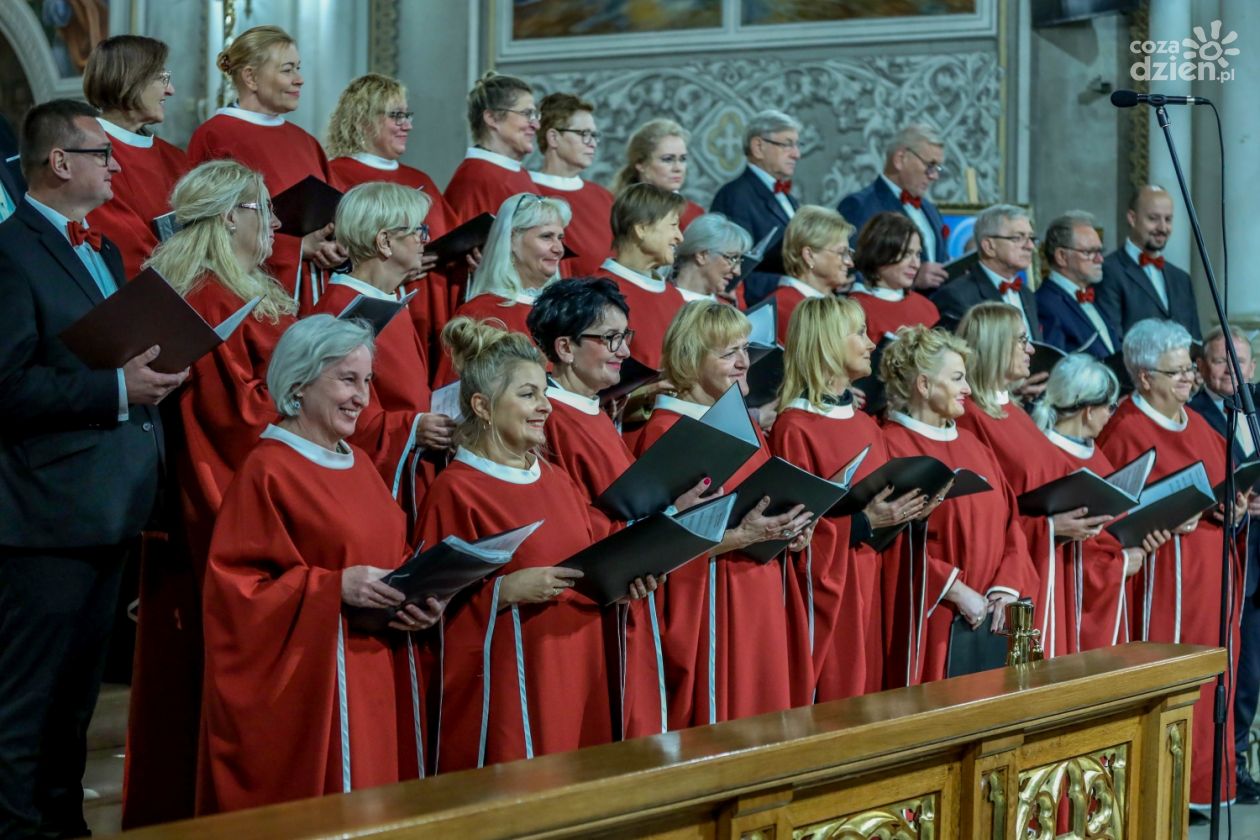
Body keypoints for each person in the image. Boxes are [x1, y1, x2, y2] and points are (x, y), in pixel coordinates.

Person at [0, 99, 183, 839]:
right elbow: (6, 386)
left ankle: (65, 826)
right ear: (59, 162)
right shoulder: (8, 253)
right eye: (101, 153)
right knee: (24, 704)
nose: (116, 165)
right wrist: (115, 390)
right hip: (43, 514)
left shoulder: (102, 250)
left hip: (110, 501)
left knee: (76, 701)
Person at [199, 315, 441, 813]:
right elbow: (236, 595)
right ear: (299, 382)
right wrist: (333, 589)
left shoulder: (357, 463)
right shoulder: (268, 469)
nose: (362, 397)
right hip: (316, 689)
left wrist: (420, 599)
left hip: (375, 670)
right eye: (346, 380)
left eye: (367, 381)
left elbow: (389, 556)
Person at [416, 317, 625, 770]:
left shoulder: (556, 477)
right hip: (513, 685)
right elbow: (427, 608)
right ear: (483, 406)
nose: (545, 407)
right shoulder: (457, 490)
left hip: (580, 668)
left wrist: (629, 573)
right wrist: (504, 593)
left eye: (545, 394)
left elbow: (598, 551)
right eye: (528, 394)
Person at [526, 277, 703, 737]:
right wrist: (663, 519)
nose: (624, 351)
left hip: (627, 593)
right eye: (610, 338)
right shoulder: (550, 418)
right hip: (582, 608)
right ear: (565, 347)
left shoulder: (594, 410)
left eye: (626, 337)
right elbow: (570, 520)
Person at [637, 301, 814, 727]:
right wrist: (741, 537)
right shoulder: (666, 430)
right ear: (689, 359)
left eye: (744, 349)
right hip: (711, 603)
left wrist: (790, 527)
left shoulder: (744, 422)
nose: (742, 363)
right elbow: (659, 543)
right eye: (726, 353)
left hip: (759, 590)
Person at [1097, 318, 1247, 811]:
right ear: (1144, 377)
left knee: (1211, 681)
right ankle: (1160, 792)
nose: (1189, 379)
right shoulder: (1123, 429)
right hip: (1161, 581)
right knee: (1170, 681)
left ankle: (1204, 785)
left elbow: (1224, 486)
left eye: (1189, 369)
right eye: (1177, 371)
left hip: (1210, 576)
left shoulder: (1201, 424)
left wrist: (1236, 509)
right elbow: (1111, 511)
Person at [770, 296, 924, 701]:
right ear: (826, 343)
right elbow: (794, 531)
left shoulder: (865, 424)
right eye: (858, 332)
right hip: (830, 597)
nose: (871, 343)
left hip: (871, 579)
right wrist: (863, 523)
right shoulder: (795, 426)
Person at [878, 325, 1038, 686]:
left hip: (998, 615)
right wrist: (953, 589)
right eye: (957, 378)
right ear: (924, 385)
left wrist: (1005, 588)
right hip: (935, 618)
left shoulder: (973, 443)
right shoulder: (891, 444)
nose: (968, 388)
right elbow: (889, 540)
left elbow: (1011, 521)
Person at [956, 303, 1114, 657]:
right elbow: (987, 512)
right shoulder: (970, 416)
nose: (1030, 350)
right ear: (995, 346)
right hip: (1011, 575)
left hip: (1045, 564)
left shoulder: (1013, 410)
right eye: (1022, 341)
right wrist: (1051, 527)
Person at [187, 25, 345, 311]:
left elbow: (337, 206)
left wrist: (338, 243)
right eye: (287, 70)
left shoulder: (305, 141)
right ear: (251, 77)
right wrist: (296, 249)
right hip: (254, 293)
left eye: (298, 68)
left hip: (316, 286)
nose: (300, 80)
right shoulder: (216, 135)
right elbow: (206, 230)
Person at [312, 182, 455, 492]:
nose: (424, 240)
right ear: (385, 242)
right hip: (373, 477)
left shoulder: (386, 298)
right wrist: (412, 428)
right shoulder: (343, 310)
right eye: (418, 231)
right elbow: (334, 410)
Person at [1030, 354, 1169, 653]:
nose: (1111, 415)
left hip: (1111, 592)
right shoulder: (1045, 455)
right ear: (1089, 410)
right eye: (1110, 407)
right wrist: (1118, 566)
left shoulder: (1093, 452)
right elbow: (1070, 546)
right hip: (1068, 604)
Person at [325, 73, 459, 356]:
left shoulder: (420, 178)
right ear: (362, 119)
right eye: (396, 116)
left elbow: (448, 237)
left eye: (407, 115)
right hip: (368, 308)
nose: (407, 125)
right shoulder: (334, 175)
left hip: (428, 306)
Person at [1188, 325, 1260, 803]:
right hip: (1229, 562)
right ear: (1201, 368)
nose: (1234, 370)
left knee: (1254, 677)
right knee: (1238, 671)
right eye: (1221, 361)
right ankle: (1226, 765)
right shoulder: (1193, 418)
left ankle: (1238, 760)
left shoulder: (1257, 408)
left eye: (1243, 360)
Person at [433, 193, 571, 384]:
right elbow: (451, 395)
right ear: (512, 239)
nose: (559, 249)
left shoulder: (566, 311)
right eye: (547, 236)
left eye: (560, 238)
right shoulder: (481, 312)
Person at [83, 35, 190, 277]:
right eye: (162, 78)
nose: (170, 90)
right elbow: (127, 254)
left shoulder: (176, 158)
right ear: (131, 79)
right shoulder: (89, 154)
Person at [838, 123, 950, 291]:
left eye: (937, 168)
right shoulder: (859, 206)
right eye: (930, 166)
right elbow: (849, 270)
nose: (934, 176)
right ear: (900, 159)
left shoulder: (930, 209)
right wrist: (911, 278)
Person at [710, 109, 803, 305]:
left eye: (796, 145)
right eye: (787, 144)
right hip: (761, 306)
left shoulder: (789, 198)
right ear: (758, 146)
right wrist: (787, 283)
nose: (797, 154)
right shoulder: (736, 196)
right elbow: (734, 270)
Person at [595, 183, 687, 371]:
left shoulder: (675, 297)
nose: (680, 237)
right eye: (673, 225)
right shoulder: (598, 292)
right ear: (641, 229)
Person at [1097, 185, 1201, 341]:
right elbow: (1113, 343)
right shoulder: (1109, 271)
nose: (1163, 228)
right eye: (1153, 218)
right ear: (1132, 218)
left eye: (1168, 219)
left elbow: (1195, 340)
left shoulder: (1182, 279)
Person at [530, 93, 615, 276]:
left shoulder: (603, 197)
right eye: (584, 134)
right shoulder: (526, 190)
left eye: (594, 135)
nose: (592, 143)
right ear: (554, 137)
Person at [931, 203, 1041, 341]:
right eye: (1017, 238)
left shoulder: (1027, 294)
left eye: (1031, 238)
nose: (1030, 246)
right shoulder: (956, 296)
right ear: (989, 246)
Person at [444, 72, 540, 222]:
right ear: (492, 118)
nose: (536, 125)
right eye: (527, 114)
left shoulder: (519, 173)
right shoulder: (474, 181)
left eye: (535, 115)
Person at [764, 206, 854, 345]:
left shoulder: (842, 305)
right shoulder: (778, 309)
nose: (849, 263)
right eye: (842, 253)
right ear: (809, 255)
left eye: (849, 253)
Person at [1036, 211, 1120, 360]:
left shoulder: (1094, 295)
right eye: (1089, 252)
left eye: (1100, 251)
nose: (1100, 259)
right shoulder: (1045, 304)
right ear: (1062, 256)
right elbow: (1057, 370)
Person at [849, 211, 940, 342]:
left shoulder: (928, 308)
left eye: (918, 254)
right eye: (906, 254)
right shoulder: (855, 310)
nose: (915, 264)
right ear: (879, 253)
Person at [611, 118, 705, 230]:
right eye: (668, 159)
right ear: (641, 163)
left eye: (683, 159)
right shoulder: (616, 211)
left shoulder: (694, 215)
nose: (678, 168)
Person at [671, 212, 752, 304]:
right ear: (702, 255)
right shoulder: (658, 296)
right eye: (733, 259)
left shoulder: (726, 312)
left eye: (739, 261)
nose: (737, 272)